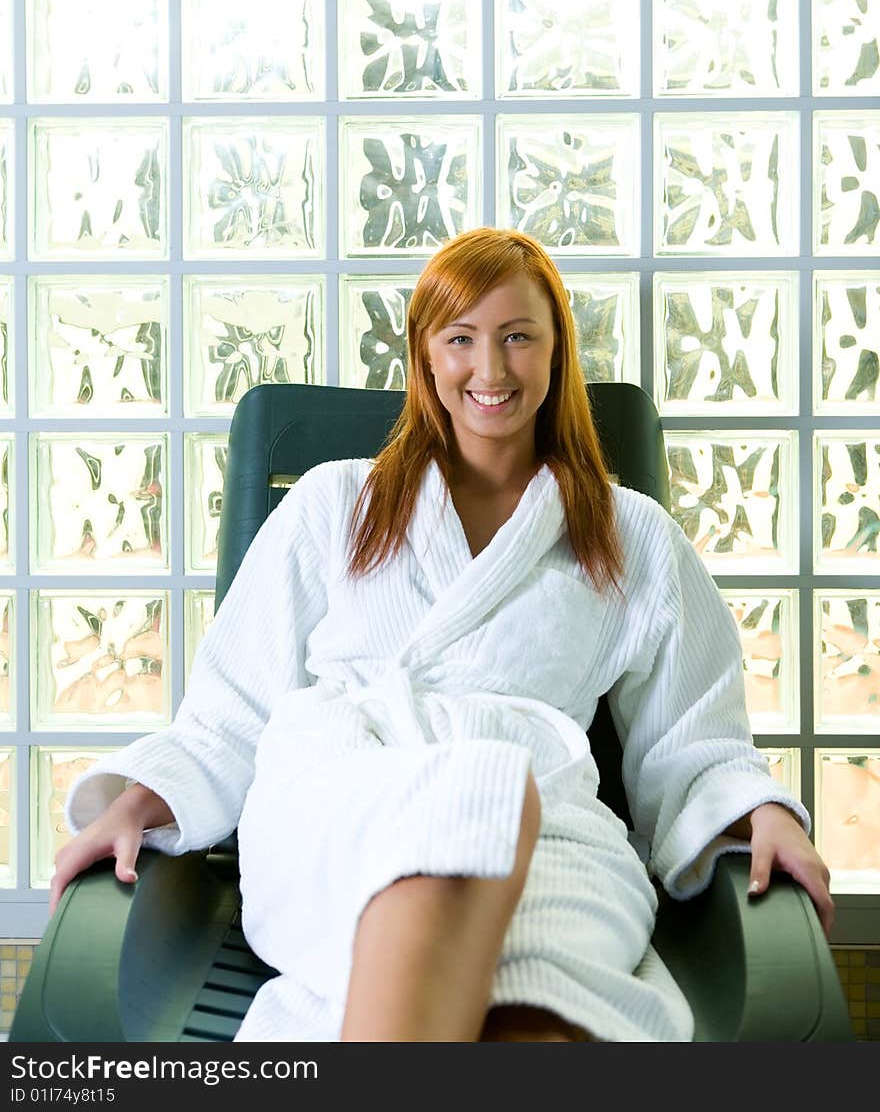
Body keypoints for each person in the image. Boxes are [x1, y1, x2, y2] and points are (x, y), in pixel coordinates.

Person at [52, 227, 834, 1044]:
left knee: (547, 1009)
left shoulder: (629, 534)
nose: (490, 371)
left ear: (557, 351)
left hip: (554, 832)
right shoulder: (333, 505)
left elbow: (692, 738)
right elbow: (232, 712)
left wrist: (758, 812)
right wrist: (136, 804)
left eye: (518, 338)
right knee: (468, 807)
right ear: (425, 358)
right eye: (460, 339)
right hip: (343, 802)